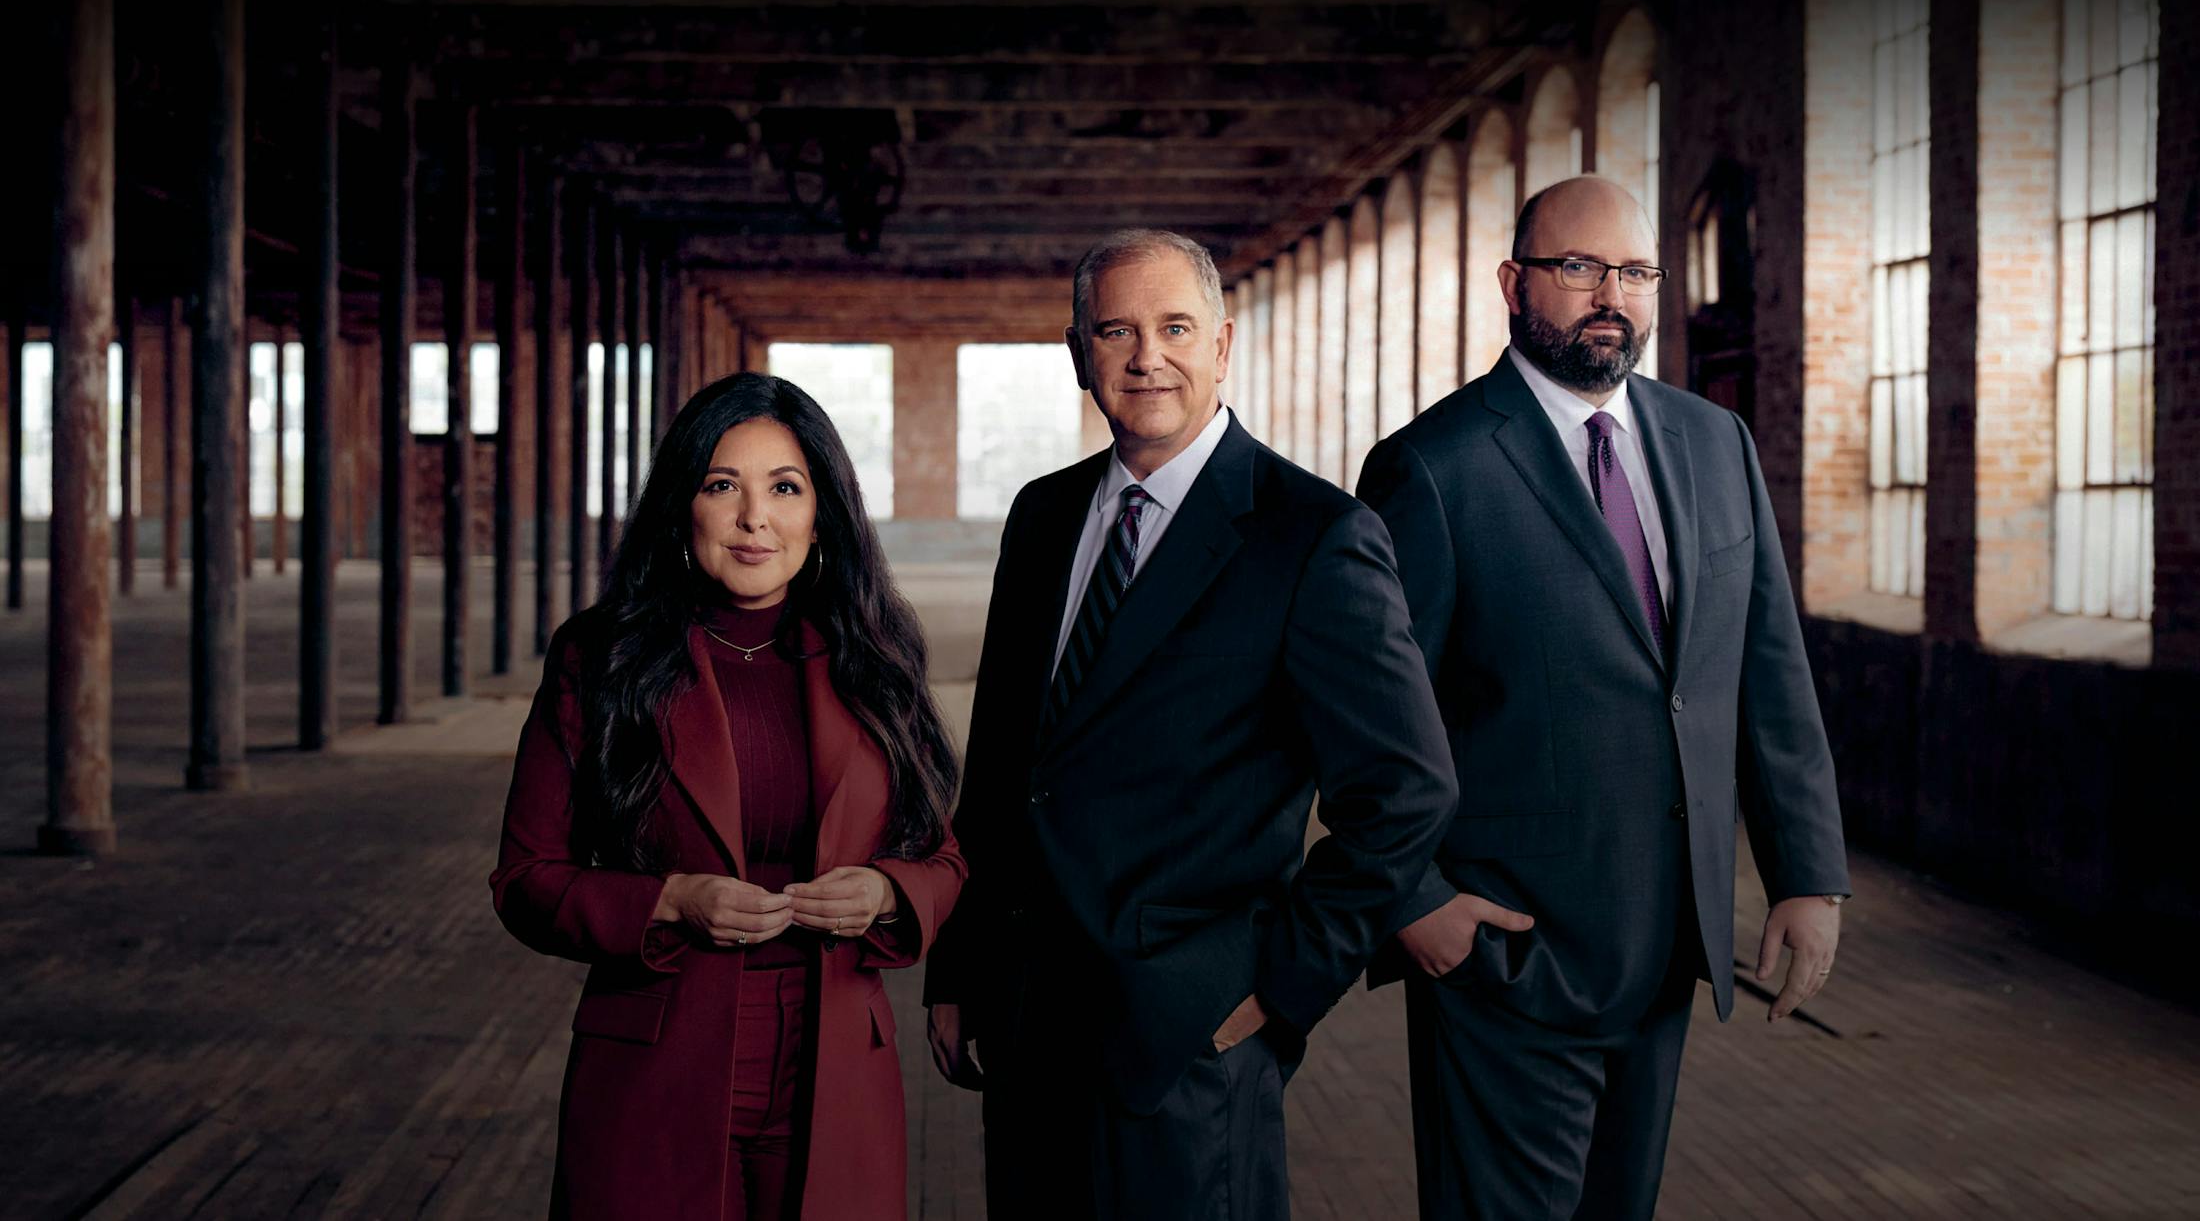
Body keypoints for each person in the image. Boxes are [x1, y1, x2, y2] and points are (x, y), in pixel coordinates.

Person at [923, 228, 1456, 1220]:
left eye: (1173, 327)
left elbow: (1405, 793)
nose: (1144, 355)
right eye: (1115, 329)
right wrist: (956, 965)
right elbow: (999, 767)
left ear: (1220, 345)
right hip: (1029, 1018)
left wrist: (1281, 985)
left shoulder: (1311, 535)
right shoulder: (1041, 516)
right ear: (1080, 350)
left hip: (1187, 1033)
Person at [1355, 175, 1851, 1220]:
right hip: (1504, 955)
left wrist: (1807, 872)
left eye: (1631, 270)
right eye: (1576, 268)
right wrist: (1415, 901)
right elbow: (1363, 714)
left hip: (1665, 946)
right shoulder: (1432, 469)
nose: (1607, 295)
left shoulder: (1714, 444)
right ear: (1513, 282)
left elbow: (1765, 665)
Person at [490, 373, 966, 1221]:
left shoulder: (876, 653)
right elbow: (526, 879)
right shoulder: (598, 657)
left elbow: (945, 857)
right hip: (654, 1063)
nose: (756, 519)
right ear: (684, 506)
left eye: (786, 488)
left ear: (822, 511)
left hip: (834, 1065)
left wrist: (890, 891)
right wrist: (670, 900)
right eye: (723, 487)